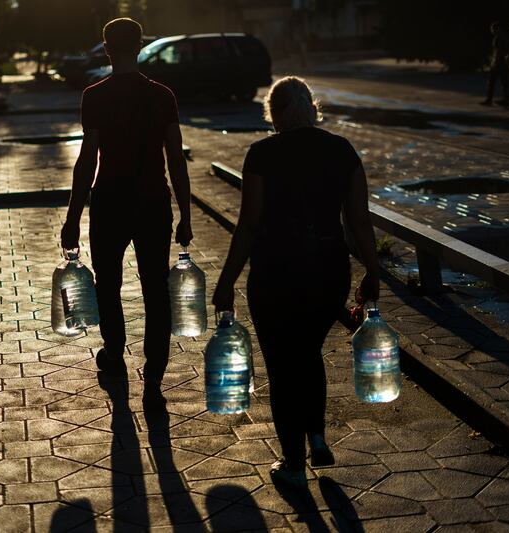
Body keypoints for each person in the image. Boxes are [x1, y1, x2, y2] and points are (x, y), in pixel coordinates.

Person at [212, 77, 380, 487]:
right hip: (328, 269)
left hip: (276, 271)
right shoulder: (341, 150)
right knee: (308, 352)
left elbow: (249, 224)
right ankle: (317, 437)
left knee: (283, 364)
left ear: (275, 113)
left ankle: (292, 460)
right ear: (310, 107)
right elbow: (358, 220)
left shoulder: (263, 154)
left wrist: (226, 280)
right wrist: (373, 273)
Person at [60, 18, 193, 413]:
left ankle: (114, 356)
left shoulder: (95, 95)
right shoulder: (163, 95)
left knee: (108, 285)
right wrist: (185, 214)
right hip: (153, 202)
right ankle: (155, 372)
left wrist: (72, 217)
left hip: (110, 202)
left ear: (105, 49)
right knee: (155, 288)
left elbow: (87, 161)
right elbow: (176, 160)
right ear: (139, 47)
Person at [481, 21, 509, 106]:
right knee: (496, 83)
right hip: (497, 63)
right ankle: (495, 100)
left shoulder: (503, 38)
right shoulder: (498, 38)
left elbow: (503, 51)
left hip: (501, 64)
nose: (492, 31)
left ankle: (504, 100)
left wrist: (501, 61)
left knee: (501, 83)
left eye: (494, 29)